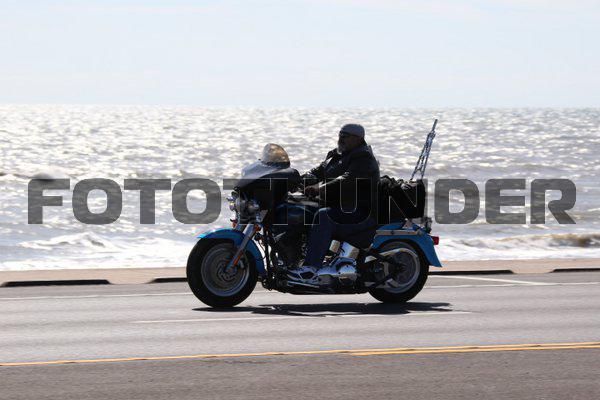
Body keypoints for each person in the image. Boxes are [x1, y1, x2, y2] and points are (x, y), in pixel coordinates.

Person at [288, 123, 380, 282]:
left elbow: (346, 179)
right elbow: (316, 172)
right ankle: (292, 259)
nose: (341, 138)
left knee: (324, 216)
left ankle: (311, 268)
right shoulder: (337, 154)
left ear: (358, 138)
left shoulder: (364, 158)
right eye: (340, 134)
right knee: (297, 207)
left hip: (358, 211)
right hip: (338, 206)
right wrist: (293, 181)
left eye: (345, 136)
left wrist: (320, 188)